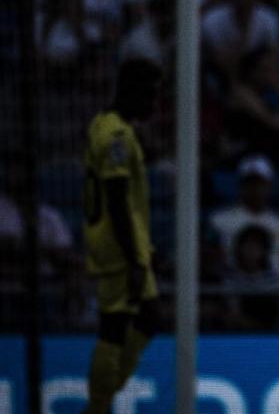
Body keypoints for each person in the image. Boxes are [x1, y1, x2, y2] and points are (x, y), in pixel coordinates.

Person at [81, 57, 162, 413]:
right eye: (151, 95)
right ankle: (98, 406)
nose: (154, 104)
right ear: (134, 91)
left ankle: (103, 399)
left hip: (124, 247)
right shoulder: (116, 136)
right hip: (119, 250)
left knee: (149, 318)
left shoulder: (104, 125)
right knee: (114, 328)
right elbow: (116, 200)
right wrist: (132, 258)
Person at [209, 155, 279, 278]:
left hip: (274, 290)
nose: (255, 188)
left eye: (260, 183)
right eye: (249, 183)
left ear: (269, 185)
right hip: (233, 287)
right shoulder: (219, 220)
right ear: (240, 185)